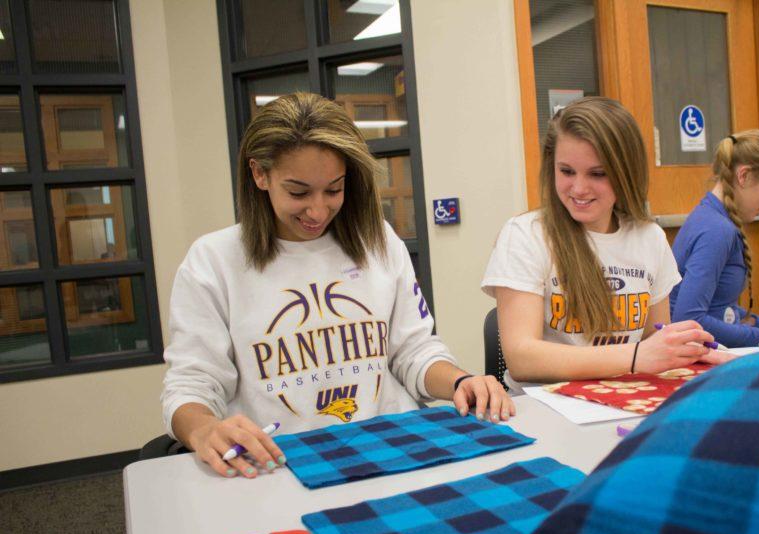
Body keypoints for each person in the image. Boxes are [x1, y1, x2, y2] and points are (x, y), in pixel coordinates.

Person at [162, 92, 513, 479]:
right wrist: (204, 429)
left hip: (394, 450)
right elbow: (191, 385)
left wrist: (461, 381)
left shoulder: (378, 240)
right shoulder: (213, 261)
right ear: (260, 175)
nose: (317, 211)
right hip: (280, 464)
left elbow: (414, 350)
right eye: (298, 192)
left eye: (334, 190)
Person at [481, 97, 728, 394]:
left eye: (597, 174)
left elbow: (656, 338)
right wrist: (636, 357)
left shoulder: (649, 237)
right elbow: (522, 359)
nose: (579, 189)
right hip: (548, 407)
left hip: (626, 399)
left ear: (626, 173)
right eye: (566, 171)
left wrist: (685, 350)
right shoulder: (525, 235)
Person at [669, 130, 759, 347]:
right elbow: (688, 319)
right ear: (743, 176)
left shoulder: (714, 219)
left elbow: (716, 307)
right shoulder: (716, 230)